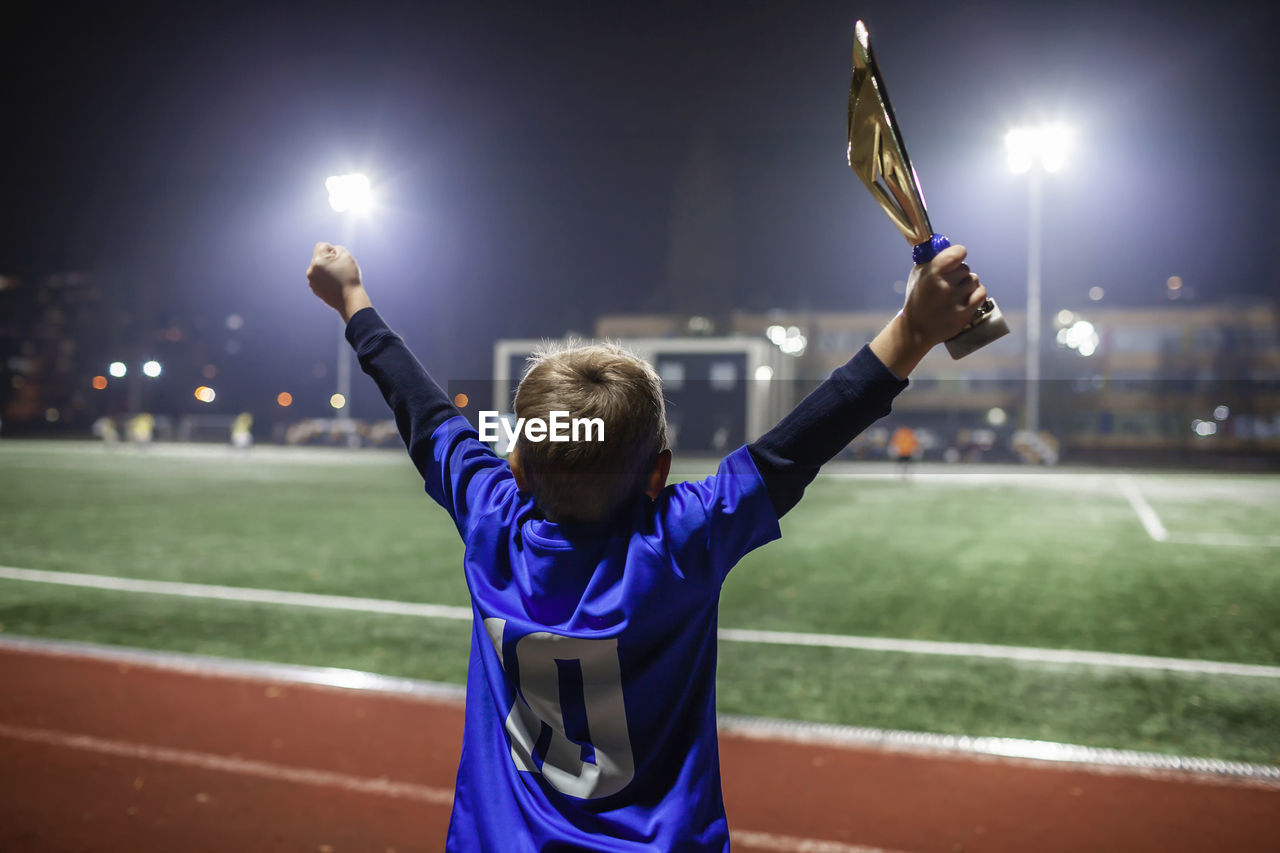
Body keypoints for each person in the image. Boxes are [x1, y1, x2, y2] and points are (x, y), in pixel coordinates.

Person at [305, 240, 985, 852]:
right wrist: (915, 330)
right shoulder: (680, 541)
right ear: (659, 473)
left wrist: (353, 298)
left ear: (515, 465)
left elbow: (422, 410)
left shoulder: (492, 521)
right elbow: (797, 445)